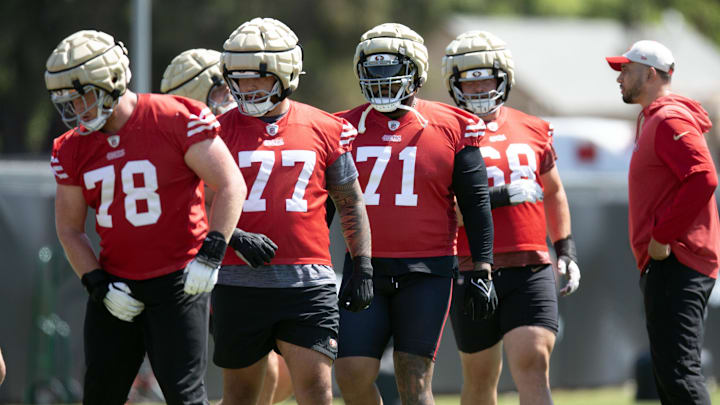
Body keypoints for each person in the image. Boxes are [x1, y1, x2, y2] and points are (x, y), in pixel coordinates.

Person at [47, 30, 246, 405]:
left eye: (80, 98)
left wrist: (211, 253)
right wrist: (97, 284)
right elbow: (69, 229)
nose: (75, 111)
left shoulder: (173, 117)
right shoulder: (71, 148)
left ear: (111, 82)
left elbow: (230, 183)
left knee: (185, 396)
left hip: (179, 282)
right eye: (66, 103)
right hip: (117, 285)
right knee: (100, 395)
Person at [210, 18, 373, 405]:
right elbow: (195, 206)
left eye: (256, 79)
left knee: (317, 392)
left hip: (308, 283)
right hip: (238, 281)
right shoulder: (216, 131)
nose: (245, 88)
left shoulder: (324, 127)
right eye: (238, 78)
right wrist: (234, 236)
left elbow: (350, 202)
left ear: (285, 75)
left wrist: (362, 263)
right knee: (239, 396)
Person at [334, 23, 494, 405]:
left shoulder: (454, 126)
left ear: (416, 72)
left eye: (391, 69)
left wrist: (482, 268)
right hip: (365, 266)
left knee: (414, 375)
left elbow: (475, 202)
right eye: (373, 70)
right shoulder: (340, 126)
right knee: (351, 373)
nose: (382, 80)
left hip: (428, 271)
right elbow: (323, 202)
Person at [441, 30, 580, 405]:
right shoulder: (445, 133)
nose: (480, 90)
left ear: (504, 79)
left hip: (530, 265)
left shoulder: (533, 128)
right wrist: (501, 196)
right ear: (455, 87)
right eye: (470, 83)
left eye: (487, 79)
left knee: (534, 361)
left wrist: (566, 249)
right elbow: (444, 208)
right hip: (472, 267)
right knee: (481, 378)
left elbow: (553, 191)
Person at [161, 48, 293, 405]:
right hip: (191, 268)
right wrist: (234, 236)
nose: (236, 97)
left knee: (276, 370)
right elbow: (187, 211)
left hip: (236, 266)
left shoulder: (238, 132)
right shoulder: (182, 140)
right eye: (223, 90)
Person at [606, 40, 719, 405]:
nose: (620, 78)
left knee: (679, 374)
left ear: (650, 73)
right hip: (669, 263)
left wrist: (662, 237)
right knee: (669, 376)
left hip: (677, 260)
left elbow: (704, 177)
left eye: (626, 70)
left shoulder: (668, 117)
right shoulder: (654, 118)